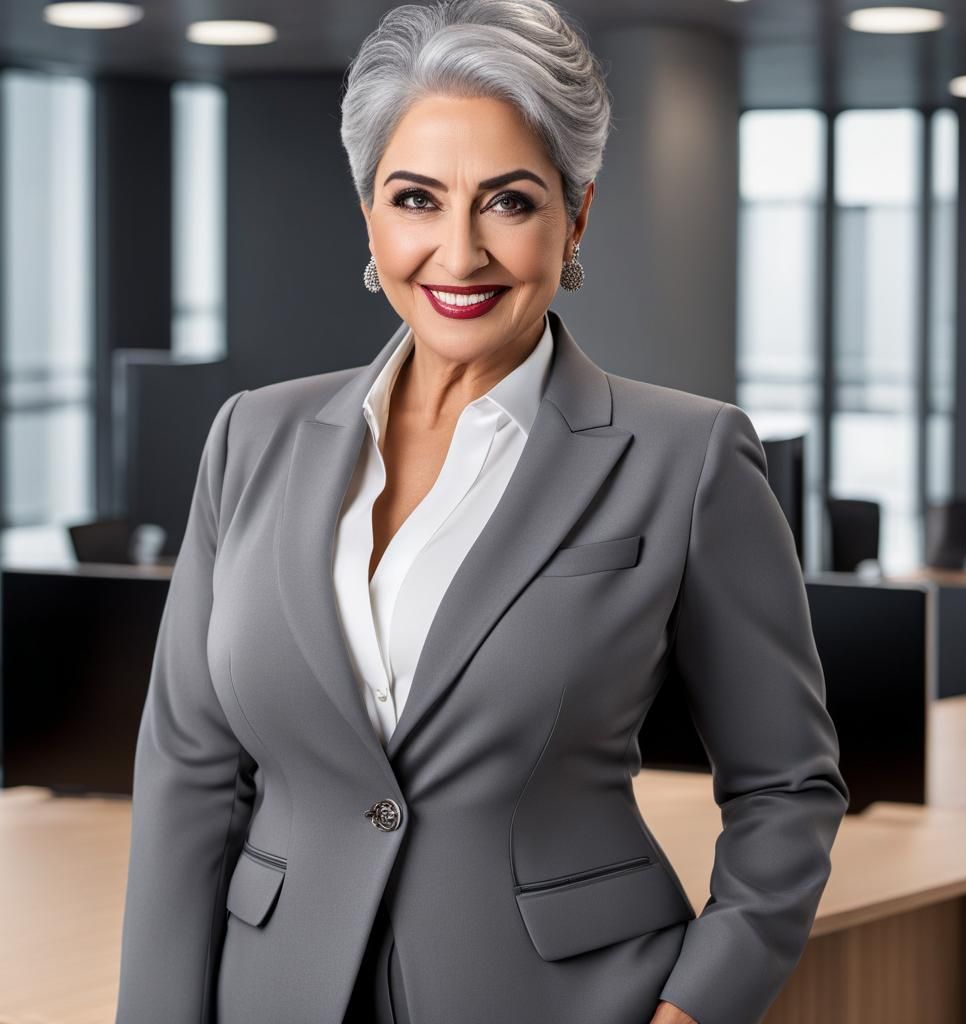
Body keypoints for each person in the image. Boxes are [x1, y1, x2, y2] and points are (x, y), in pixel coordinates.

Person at [114, 2, 850, 1022]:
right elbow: (189, 778)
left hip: (561, 996)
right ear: (369, 212)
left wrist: (693, 1012)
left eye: (508, 202)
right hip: (272, 992)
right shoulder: (251, 439)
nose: (458, 254)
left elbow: (786, 789)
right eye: (417, 199)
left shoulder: (687, 458)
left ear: (576, 214)